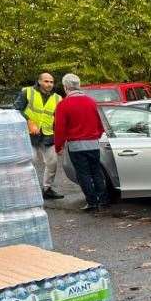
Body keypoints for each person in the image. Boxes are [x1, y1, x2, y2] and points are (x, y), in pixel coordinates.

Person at [53, 74, 108, 212]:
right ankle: (103, 199)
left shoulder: (63, 105)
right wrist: (96, 135)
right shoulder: (91, 102)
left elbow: (59, 128)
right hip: (93, 143)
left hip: (76, 145)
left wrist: (58, 146)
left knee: (83, 174)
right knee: (96, 171)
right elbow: (100, 123)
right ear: (79, 85)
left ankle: (92, 202)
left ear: (66, 87)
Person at [14, 72, 63, 199]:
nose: (49, 84)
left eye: (51, 82)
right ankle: (27, 190)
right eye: (46, 81)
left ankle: (47, 189)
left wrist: (60, 137)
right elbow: (16, 109)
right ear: (39, 81)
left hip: (48, 134)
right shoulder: (27, 92)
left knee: (52, 162)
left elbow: (59, 119)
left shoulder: (58, 98)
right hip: (29, 134)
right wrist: (28, 121)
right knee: (31, 161)